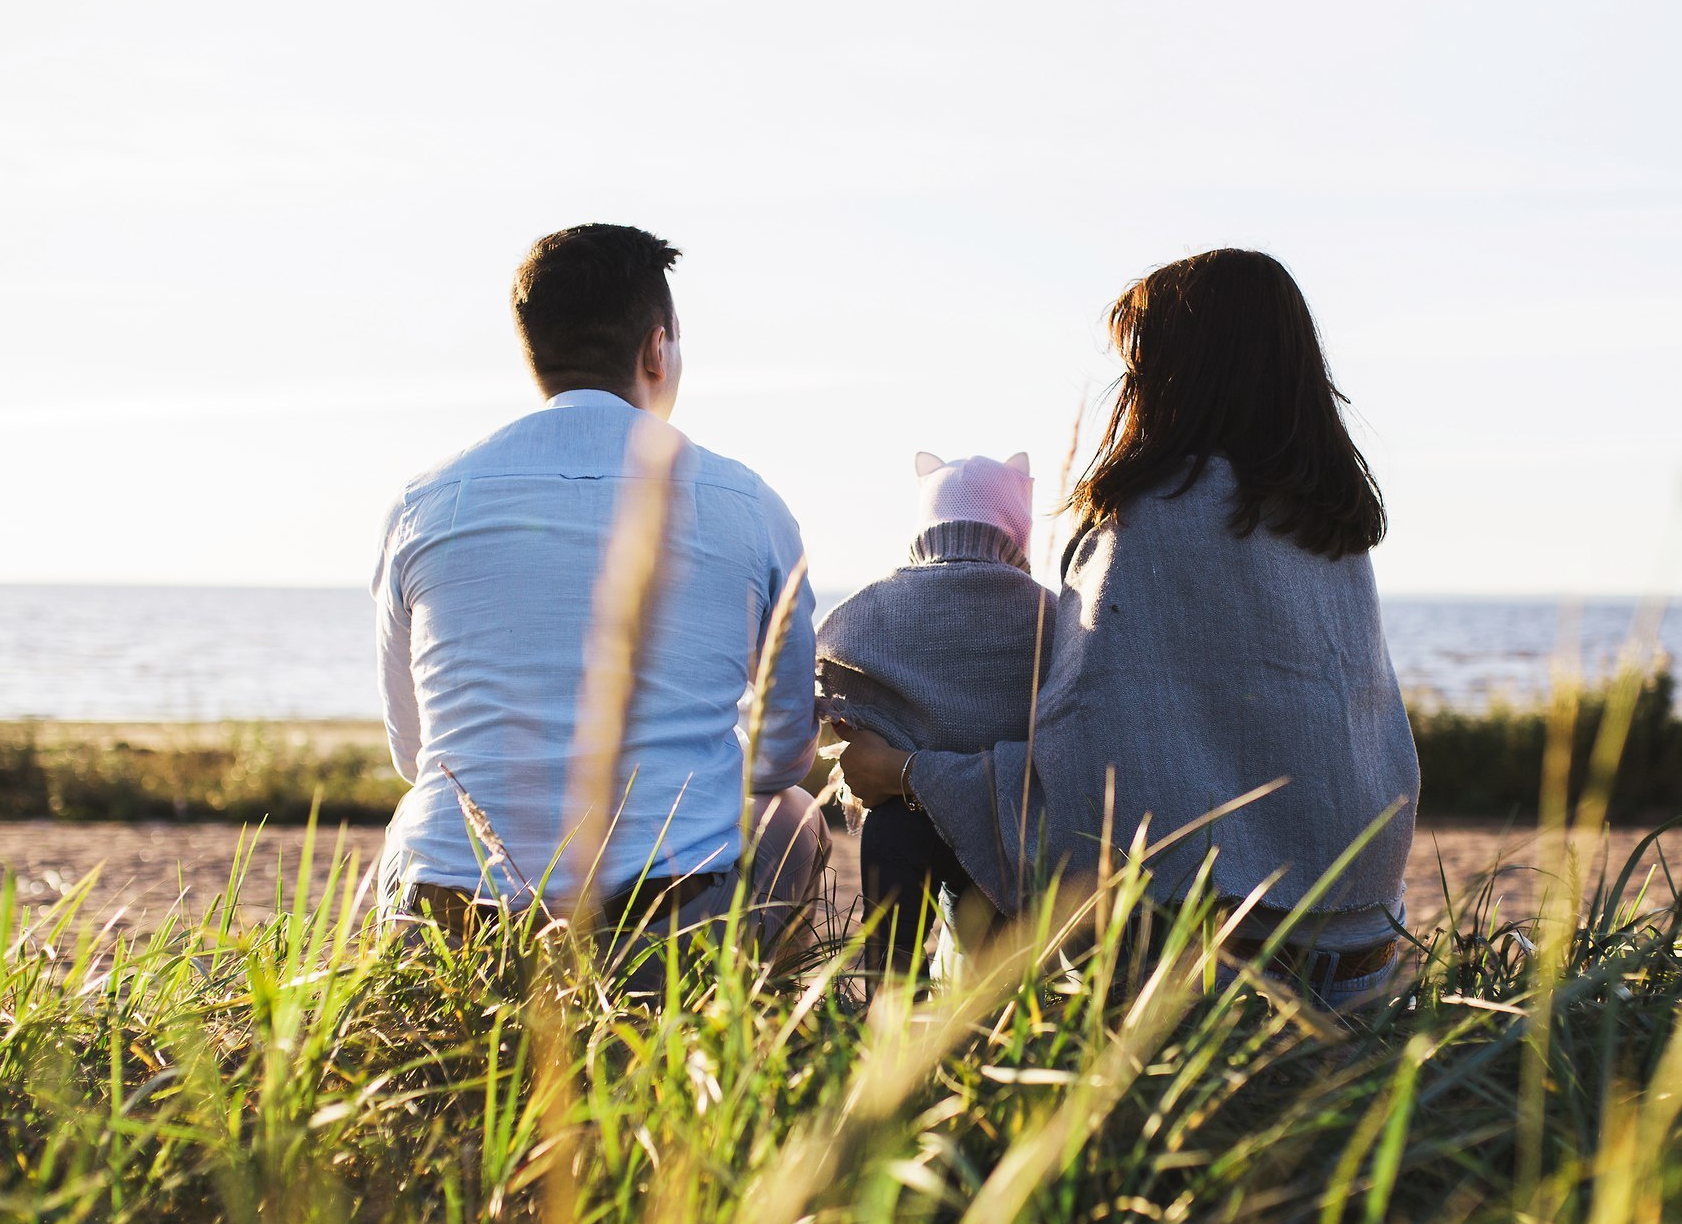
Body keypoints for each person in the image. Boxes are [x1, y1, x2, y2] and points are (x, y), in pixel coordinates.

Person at [836, 249, 1418, 1006]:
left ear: (1175, 375)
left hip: (1215, 986)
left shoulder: (1146, 522)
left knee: (907, 829)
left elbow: (1083, 782)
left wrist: (906, 774)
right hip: (1364, 969)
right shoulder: (1335, 533)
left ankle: (916, 1037)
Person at [373, 224, 827, 950]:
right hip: (669, 927)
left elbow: (414, 753)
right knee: (794, 814)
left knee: (416, 811)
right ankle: (761, 1039)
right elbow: (783, 758)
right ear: (657, 348)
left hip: (452, 921)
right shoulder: (747, 502)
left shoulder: (423, 501)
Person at [816, 451, 1056, 975]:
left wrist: (851, 712)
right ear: (1016, 525)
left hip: (908, 818)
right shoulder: (1049, 613)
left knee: (890, 845)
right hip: (1009, 831)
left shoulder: (877, 606)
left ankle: (888, 987)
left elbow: (822, 658)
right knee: (992, 971)